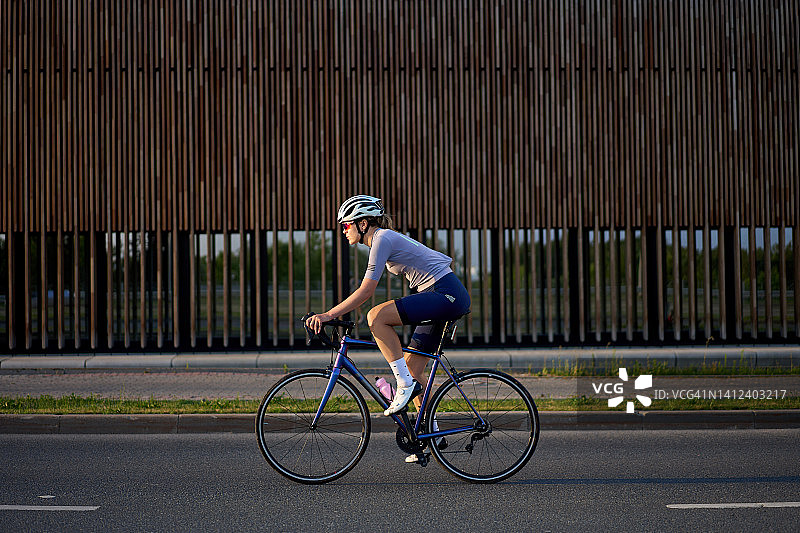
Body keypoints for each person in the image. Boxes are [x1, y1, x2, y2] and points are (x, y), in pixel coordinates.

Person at [306, 195, 470, 420]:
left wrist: (328, 314)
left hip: (445, 293)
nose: (344, 230)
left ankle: (404, 386)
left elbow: (366, 290)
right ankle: (430, 431)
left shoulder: (381, 238)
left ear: (363, 224)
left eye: (346, 225)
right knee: (413, 370)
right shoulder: (383, 239)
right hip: (441, 294)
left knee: (376, 317)